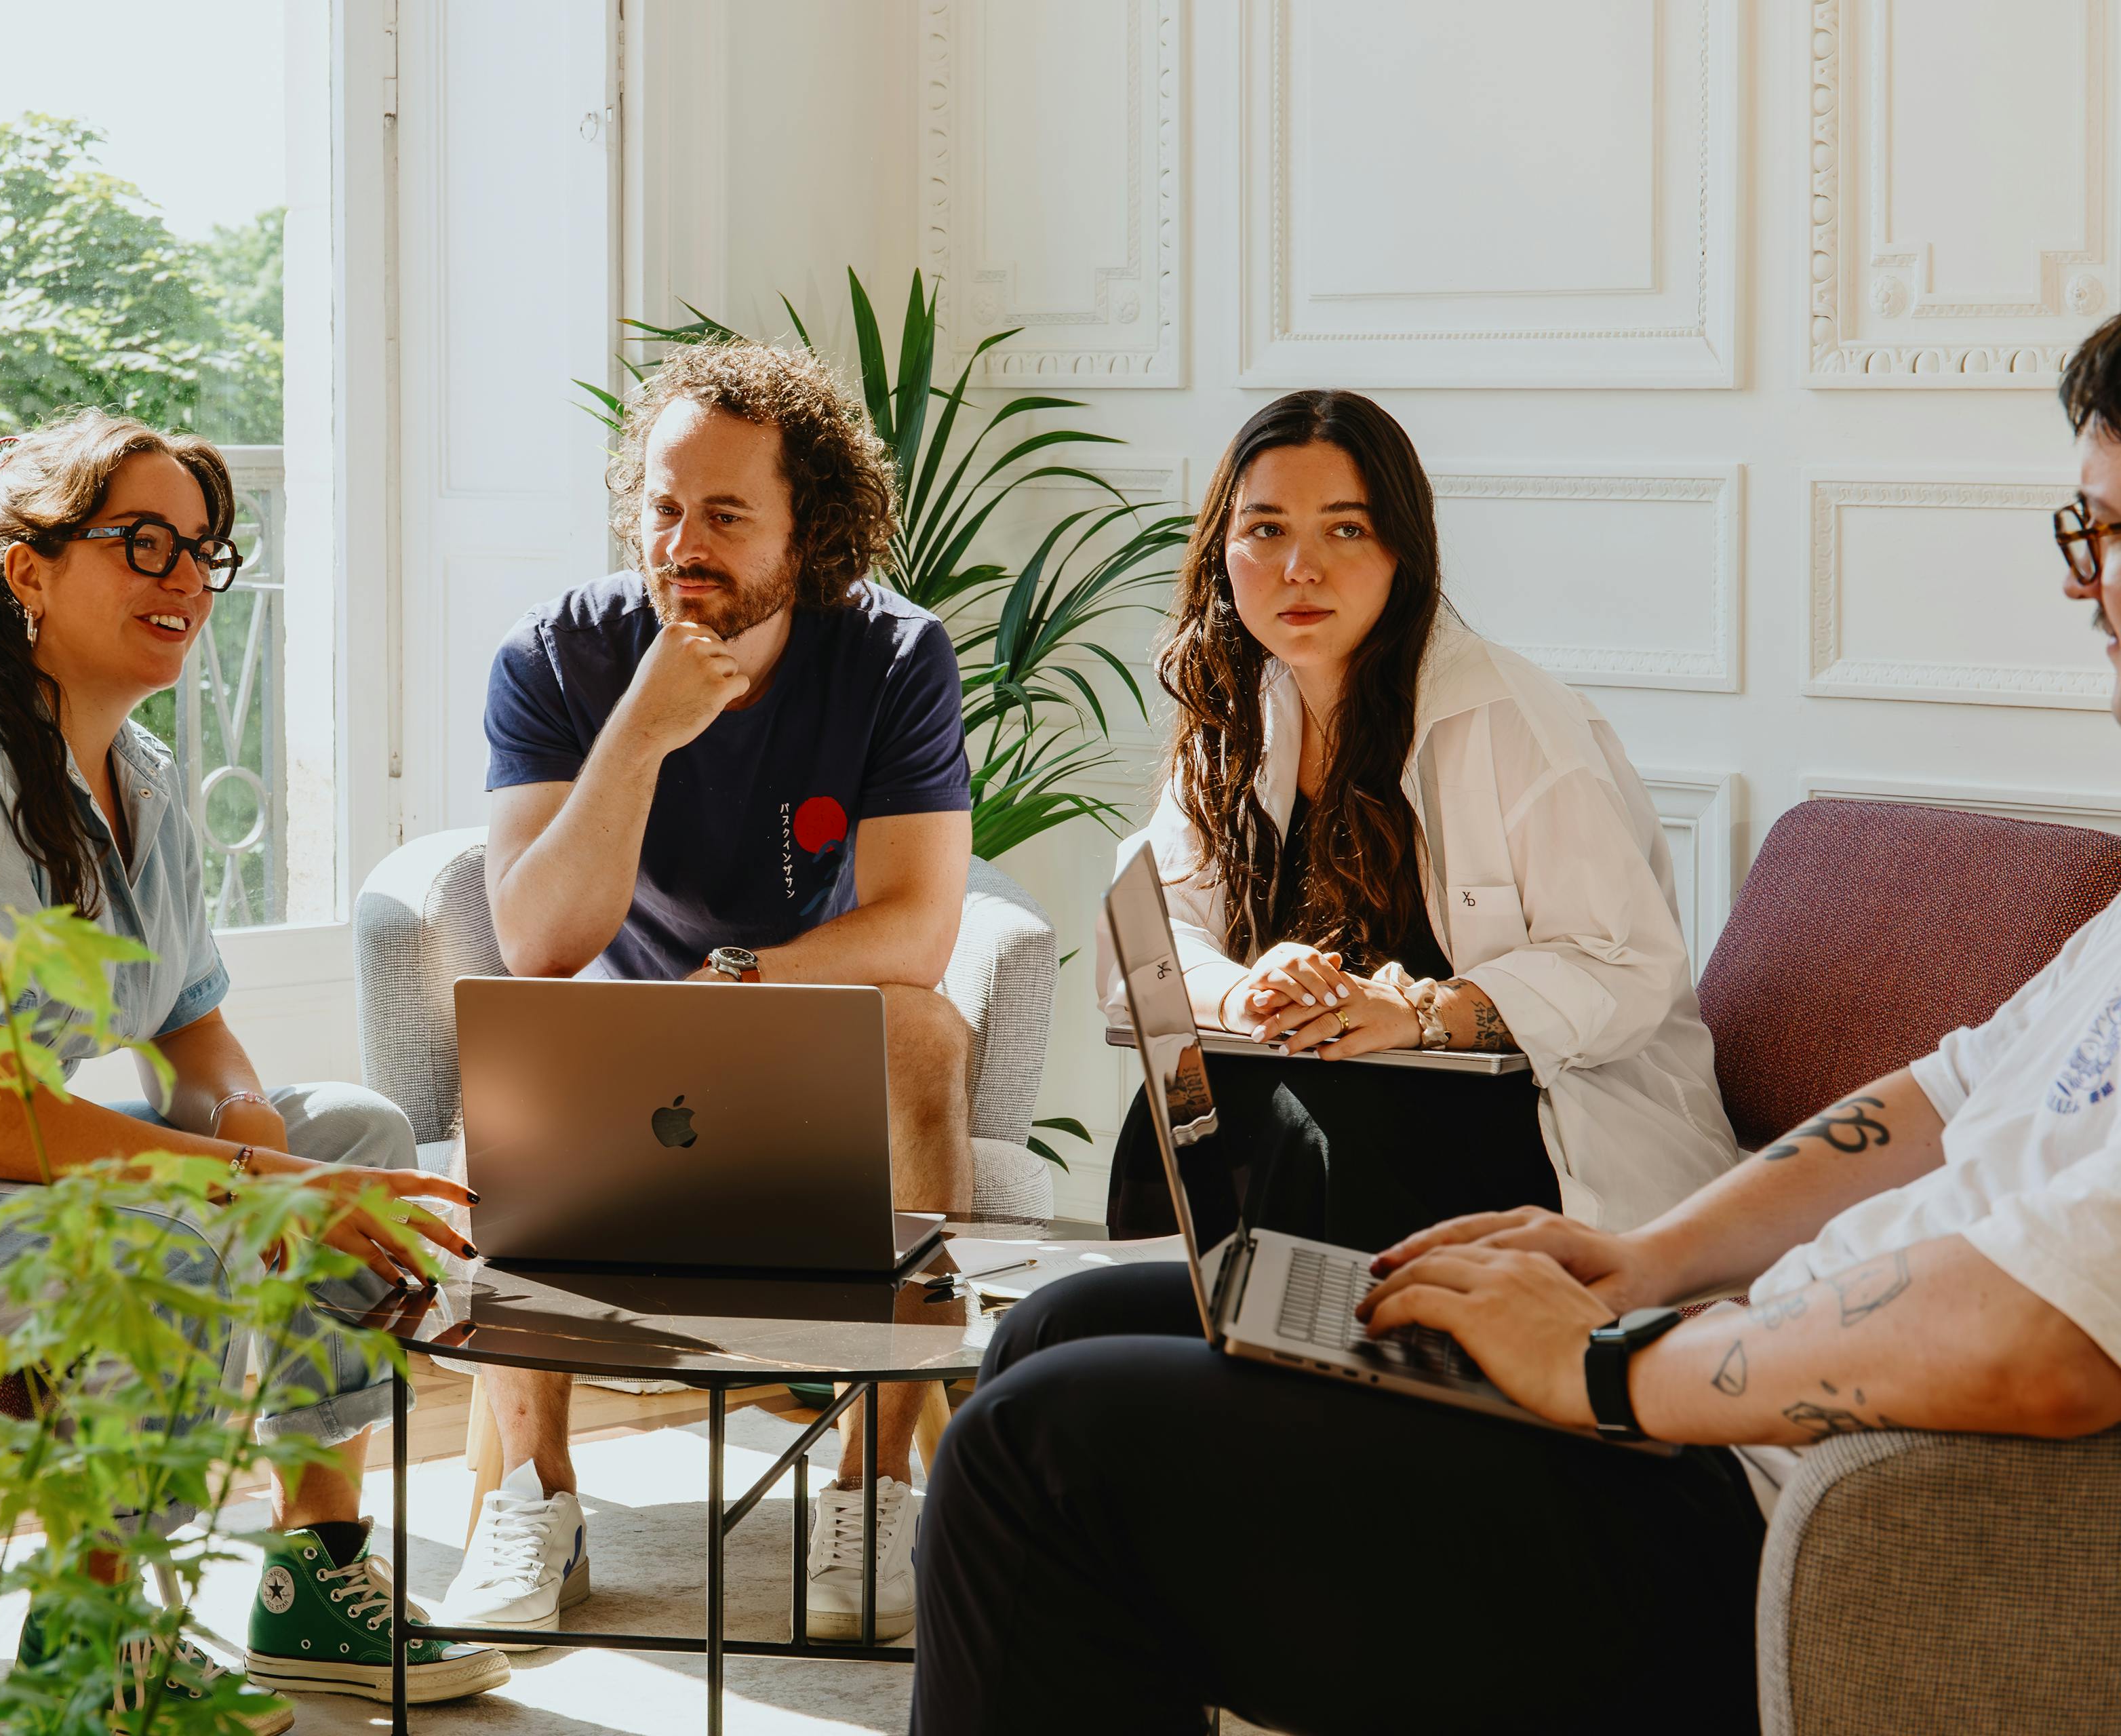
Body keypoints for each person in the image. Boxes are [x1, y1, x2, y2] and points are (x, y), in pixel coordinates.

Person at [907, 327, 2121, 1735]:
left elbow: (2049, 1335)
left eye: (2110, 530)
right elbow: (1938, 1093)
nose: (2083, 581)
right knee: (1057, 1327)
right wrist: (1637, 1265)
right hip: (1683, 1379)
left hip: (1746, 1508)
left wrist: (1611, 1363)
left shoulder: (1511, 722)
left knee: (1034, 1451)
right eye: (2081, 527)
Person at [0, 411, 508, 1720]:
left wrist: (269, 1148)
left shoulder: (139, 779)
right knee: (158, 1244)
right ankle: (98, 1653)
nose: (184, 579)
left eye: (203, 553)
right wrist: (251, 1188)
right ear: (31, 571)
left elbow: (194, 1032)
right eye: (145, 544)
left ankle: (312, 1573)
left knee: (349, 1126)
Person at [441, 338, 975, 1646]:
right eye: (665, 509)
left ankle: (873, 1488)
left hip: (815, 1008)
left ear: (812, 529)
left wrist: (743, 980)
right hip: (614, 1024)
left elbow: (916, 924)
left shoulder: (893, 655)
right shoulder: (558, 658)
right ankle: (537, 1501)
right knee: (530, 1044)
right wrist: (642, 724)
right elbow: (538, 941)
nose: (689, 542)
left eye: (729, 515)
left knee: (925, 1035)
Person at [1099, 389, 1737, 1254]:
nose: (1300, 567)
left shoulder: (1512, 721)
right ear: (1223, 550)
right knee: (1177, 1099)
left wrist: (1423, 1014)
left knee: (1322, 1113)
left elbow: (1626, 969)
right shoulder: (1234, 721)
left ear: (1404, 546)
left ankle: (1292, 1368)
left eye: (1346, 528)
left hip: (1519, 1124)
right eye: (1266, 529)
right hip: (1333, 1104)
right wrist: (1246, 992)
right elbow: (1153, 942)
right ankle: (1184, 1358)